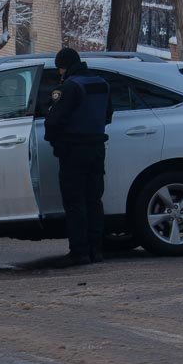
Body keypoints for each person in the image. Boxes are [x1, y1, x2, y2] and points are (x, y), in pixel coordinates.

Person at [44, 47, 114, 266]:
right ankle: (96, 250)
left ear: (64, 66)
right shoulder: (101, 83)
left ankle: (80, 252)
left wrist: (57, 144)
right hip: (97, 148)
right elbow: (108, 115)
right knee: (94, 201)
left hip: (74, 150)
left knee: (75, 203)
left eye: (60, 68)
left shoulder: (70, 87)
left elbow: (53, 121)